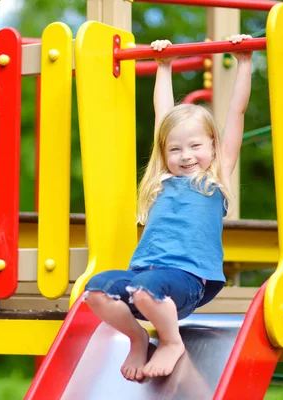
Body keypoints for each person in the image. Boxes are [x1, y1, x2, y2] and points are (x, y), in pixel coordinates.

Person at [83, 34, 254, 382]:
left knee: (148, 287)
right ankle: (137, 336)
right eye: (175, 149)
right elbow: (163, 117)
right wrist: (163, 65)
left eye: (195, 146)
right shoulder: (161, 178)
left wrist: (246, 62)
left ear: (213, 147)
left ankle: (171, 341)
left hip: (189, 281)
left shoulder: (214, 179)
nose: (186, 155)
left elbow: (236, 113)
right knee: (96, 290)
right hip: (146, 277)